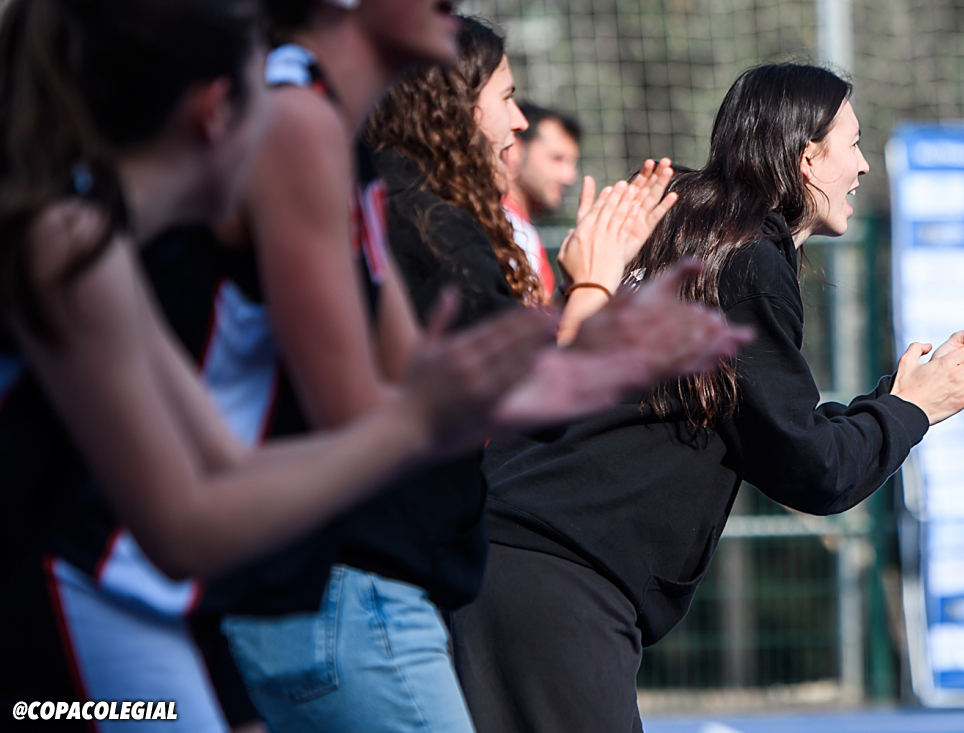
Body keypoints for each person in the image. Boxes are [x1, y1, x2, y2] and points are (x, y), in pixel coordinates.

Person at [0, 0, 730, 720]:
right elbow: (186, 520)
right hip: (91, 603)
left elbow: (232, 471)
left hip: (175, 602)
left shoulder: (104, 238)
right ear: (215, 112)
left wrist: (563, 354)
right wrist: (422, 417)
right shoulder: (73, 240)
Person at [448, 63, 964, 733]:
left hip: (492, 554)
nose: (864, 166)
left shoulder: (691, 235)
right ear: (806, 157)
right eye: (853, 143)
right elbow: (813, 469)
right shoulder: (749, 261)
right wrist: (915, 409)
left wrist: (900, 398)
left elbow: (773, 432)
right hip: (560, 577)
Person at [501, 103, 583, 300]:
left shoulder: (518, 226)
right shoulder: (504, 226)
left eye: (572, 163)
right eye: (558, 159)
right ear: (514, 150)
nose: (569, 176)